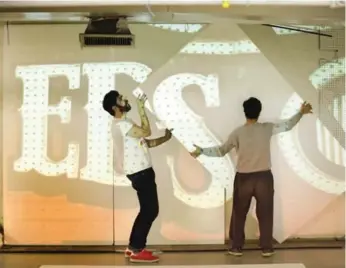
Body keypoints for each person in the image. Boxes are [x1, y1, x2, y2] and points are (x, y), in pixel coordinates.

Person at [190, 97, 312, 257]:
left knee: (239, 213)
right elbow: (287, 125)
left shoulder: (238, 132)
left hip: (244, 178)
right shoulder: (267, 128)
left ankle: (236, 247)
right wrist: (301, 113)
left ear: (244, 112)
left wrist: (201, 151)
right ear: (259, 112)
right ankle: (267, 247)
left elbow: (221, 151)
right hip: (264, 177)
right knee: (266, 213)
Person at [102, 90, 173, 263]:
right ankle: (137, 249)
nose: (124, 99)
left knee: (147, 210)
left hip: (142, 171)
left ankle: (133, 247)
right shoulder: (121, 125)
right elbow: (146, 132)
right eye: (120, 99)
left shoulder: (126, 122)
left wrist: (164, 139)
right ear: (115, 107)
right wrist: (141, 107)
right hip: (140, 173)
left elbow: (145, 142)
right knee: (150, 210)